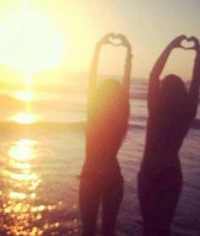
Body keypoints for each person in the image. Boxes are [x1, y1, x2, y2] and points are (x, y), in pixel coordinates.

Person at [138, 35, 200, 236]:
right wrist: (198, 52)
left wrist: (171, 46)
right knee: (163, 229)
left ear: (162, 90)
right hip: (171, 174)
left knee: (149, 227)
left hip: (149, 172)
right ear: (181, 92)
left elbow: (153, 73)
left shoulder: (155, 109)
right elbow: (196, 84)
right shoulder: (187, 112)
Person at [79, 33, 132, 236]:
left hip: (91, 174)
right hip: (113, 176)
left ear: (99, 96)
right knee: (109, 230)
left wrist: (98, 47)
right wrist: (128, 52)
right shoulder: (120, 117)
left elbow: (91, 79)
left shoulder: (93, 114)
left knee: (88, 230)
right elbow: (125, 86)